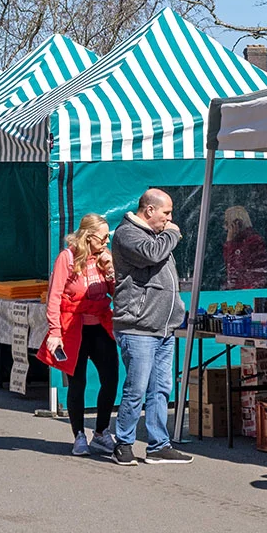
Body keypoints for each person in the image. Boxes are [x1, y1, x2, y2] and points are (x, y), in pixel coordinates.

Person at [110, 189, 193, 466]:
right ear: (149, 211)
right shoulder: (127, 234)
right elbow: (152, 255)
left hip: (164, 327)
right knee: (136, 388)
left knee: (160, 389)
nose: (170, 219)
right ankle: (123, 442)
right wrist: (172, 233)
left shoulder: (157, 235)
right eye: (166, 213)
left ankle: (159, 444)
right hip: (138, 327)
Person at [40, 214, 119, 456]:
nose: (106, 241)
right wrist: (55, 331)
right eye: (103, 237)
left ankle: (102, 431)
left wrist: (111, 272)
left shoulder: (103, 258)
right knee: (78, 382)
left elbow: (117, 293)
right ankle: (78, 435)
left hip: (100, 324)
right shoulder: (68, 257)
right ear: (88, 236)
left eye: (108, 236)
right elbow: (54, 296)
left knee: (111, 378)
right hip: (74, 325)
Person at [222, 206, 267, 290]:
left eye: (226, 223)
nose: (224, 228)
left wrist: (230, 242)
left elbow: (234, 267)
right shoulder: (240, 240)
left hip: (248, 288)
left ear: (236, 224)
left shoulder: (252, 241)